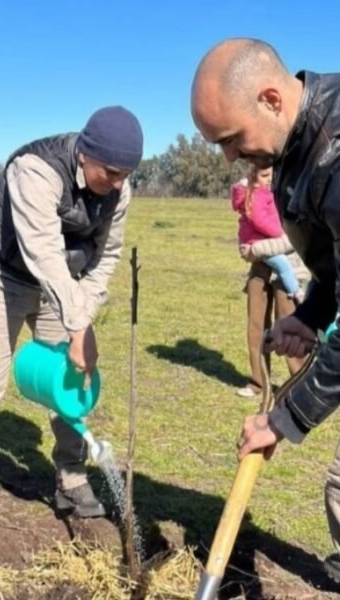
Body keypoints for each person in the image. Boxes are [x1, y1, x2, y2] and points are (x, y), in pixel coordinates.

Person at [0, 106, 144, 549]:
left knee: (73, 381)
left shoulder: (119, 188)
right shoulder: (35, 169)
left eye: (125, 175)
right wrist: (78, 326)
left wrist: (84, 318)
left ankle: (71, 477)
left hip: (66, 283)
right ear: (84, 154)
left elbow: (106, 256)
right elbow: (43, 254)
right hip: (3, 273)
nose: (116, 184)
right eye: (110, 172)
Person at [192, 37, 340, 582]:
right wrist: (312, 315)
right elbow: (336, 266)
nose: (229, 157)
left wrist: (284, 418)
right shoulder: (295, 150)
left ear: (272, 100)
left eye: (230, 139)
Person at [235, 232, 309, 399]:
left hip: (290, 267)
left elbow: (293, 237)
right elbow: (247, 227)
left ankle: (300, 384)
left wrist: (256, 248)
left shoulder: (291, 206)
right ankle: (258, 381)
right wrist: (245, 245)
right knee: (256, 325)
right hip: (259, 266)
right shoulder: (256, 204)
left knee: (289, 325)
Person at [232, 165, 303, 302]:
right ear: (253, 177)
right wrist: (279, 232)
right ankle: (296, 292)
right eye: (264, 176)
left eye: (271, 175)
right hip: (259, 241)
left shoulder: (259, 192)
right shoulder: (258, 195)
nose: (269, 179)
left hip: (258, 239)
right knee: (283, 264)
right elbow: (260, 221)